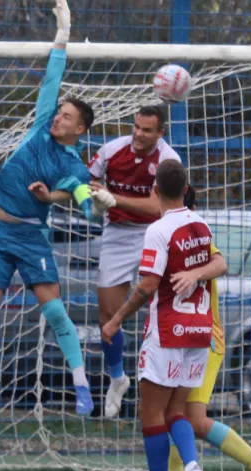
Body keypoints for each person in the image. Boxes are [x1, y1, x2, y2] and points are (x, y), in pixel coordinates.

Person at [0, 0, 99, 416]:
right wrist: (63, 34)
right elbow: (52, 77)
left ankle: (82, 385)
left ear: (80, 128)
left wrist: (67, 200)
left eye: (66, 116)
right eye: (58, 112)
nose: (57, 118)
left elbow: (77, 193)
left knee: (53, 311)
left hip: (31, 237)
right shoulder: (39, 129)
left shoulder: (72, 164)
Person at [102, 160, 209, 471]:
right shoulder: (200, 224)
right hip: (198, 329)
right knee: (176, 409)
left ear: (154, 190)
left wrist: (116, 319)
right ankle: (191, 465)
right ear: (186, 186)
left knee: (150, 412)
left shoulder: (159, 229)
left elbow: (148, 285)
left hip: (166, 330)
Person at [164, 186, 251, 471]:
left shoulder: (193, 234)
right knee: (176, 414)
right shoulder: (165, 234)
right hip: (180, 338)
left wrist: (193, 274)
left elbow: (221, 263)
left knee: (191, 418)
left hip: (204, 340)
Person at [87, 106, 181, 418]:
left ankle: (168, 380)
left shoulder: (170, 160)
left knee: (163, 307)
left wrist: (114, 199)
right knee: (107, 317)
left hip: (153, 233)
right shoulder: (111, 151)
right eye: (136, 127)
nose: (139, 134)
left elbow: (159, 208)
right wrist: (92, 204)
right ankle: (117, 378)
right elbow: (87, 184)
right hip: (116, 234)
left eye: (148, 130)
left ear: (161, 133)